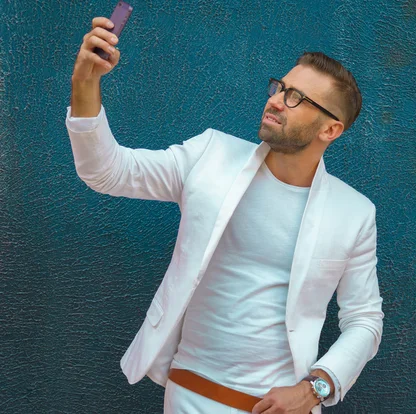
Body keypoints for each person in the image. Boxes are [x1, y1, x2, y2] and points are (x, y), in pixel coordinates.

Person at [66, 16, 384, 414]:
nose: (275, 100)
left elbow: (365, 320)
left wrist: (315, 388)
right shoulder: (210, 156)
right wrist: (85, 83)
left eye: (296, 98)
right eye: (280, 87)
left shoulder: (353, 213)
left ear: (330, 130)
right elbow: (107, 171)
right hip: (189, 397)